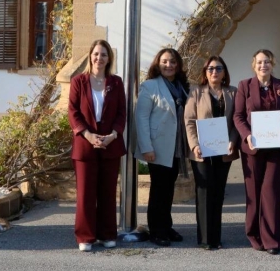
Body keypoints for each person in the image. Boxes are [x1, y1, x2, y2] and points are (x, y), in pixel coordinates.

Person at [233, 49, 280, 255]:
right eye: (259, 62)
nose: (263, 65)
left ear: (272, 64)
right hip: (253, 147)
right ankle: (253, 234)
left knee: (270, 191)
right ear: (254, 65)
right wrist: (247, 135)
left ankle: (272, 239)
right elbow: (238, 116)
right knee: (254, 191)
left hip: (276, 147)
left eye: (267, 62)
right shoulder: (244, 86)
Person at [68, 40, 126, 252]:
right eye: (95, 54)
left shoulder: (116, 83)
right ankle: (85, 236)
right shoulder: (78, 82)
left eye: (103, 55)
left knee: (107, 192)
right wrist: (87, 134)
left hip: (111, 144)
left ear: (109, 58)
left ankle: (107, 234)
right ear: (90, 56)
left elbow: (122, 112)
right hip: (85, 145)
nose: (99, 58)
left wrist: (113, 135)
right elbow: (73, 111)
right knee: (85, 193)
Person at [135, 48, 190, 247]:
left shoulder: (181, 86)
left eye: (173, 61)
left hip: (176, 147)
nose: (169, 65)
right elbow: (141, 118)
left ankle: (166, 226)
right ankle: (156, 231)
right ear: (158, 64)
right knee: (158, 189)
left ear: (178, 65)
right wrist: (146, 147)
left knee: (168, 189)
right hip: (157, 148)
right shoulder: (149, 86)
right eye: (165, 61)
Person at [184, 55, 240, 250]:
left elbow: (236, 120)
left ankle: (216, 237)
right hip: (201, 150)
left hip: (224, 150)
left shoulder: (233, 93)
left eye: (218, 68)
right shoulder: (196, 92)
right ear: (205, 73)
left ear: (224, 72)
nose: (214, 72)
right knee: (204, 191)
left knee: (218, 192)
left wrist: (233, 140)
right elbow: (189, 121)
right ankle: (206, 239)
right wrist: (194, 145)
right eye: (210, 69)